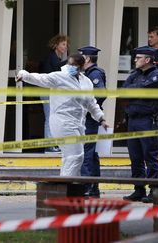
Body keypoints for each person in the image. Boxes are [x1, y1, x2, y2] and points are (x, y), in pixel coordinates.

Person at [16, 54, 108, 176]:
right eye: (69, 64)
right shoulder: (60, 77)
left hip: (77, 124)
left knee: (69, 157)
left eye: (73, 65)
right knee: (76, 156)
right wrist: (23, 75)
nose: (69, 66)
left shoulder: (86, 82)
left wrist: (101, 118)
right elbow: (41, 78)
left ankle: (65, 186)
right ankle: (67, 185)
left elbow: (91, 103)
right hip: (62, 121)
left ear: (81, 67)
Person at [122, 46, 158, 203]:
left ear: (147, 59)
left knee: (150, 155)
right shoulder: (135, 74)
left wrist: (134, 89)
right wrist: (135, 89)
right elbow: (124, 90)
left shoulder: (157, 75)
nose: (135, 60)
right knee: (135, 157)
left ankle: (154, 191)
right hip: (133, 120)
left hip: (148, 120)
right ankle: (138, 190)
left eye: (138, 57)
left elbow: (143, 88)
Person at [78, 46, 107, 197]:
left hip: (90, 119)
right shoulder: (87, 73)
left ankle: (87, 186)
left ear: (87, 58)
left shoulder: (94, 73)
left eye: (81, 56)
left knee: (86, 153)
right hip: (89, 118)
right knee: (91, 153)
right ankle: (93, 187)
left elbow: (101, 94)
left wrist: (87, 105)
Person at [39, 34, 69, 153]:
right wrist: (70, 61)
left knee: (53, 117)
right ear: (56, 45)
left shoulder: (57, 58)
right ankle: (50, 145)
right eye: (63, 44)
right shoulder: (52, 57)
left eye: (66, 45)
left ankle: (53, 143)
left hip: (52, 92)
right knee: (49, 117)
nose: (65, 47)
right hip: (47, 91)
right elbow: (57, 68)